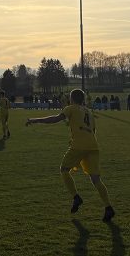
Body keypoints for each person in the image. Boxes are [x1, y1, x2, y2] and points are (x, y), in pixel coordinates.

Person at [25, 88, 115, 222]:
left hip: (79, 145)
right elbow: (93, 130)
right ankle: (108, 207)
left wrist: (34, 120)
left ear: (72, 99)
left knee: (64, 169)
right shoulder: (89, 112)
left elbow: (55, 119)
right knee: (96, 179)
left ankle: (76, 197)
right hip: (93, 146)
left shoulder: (71, 108)